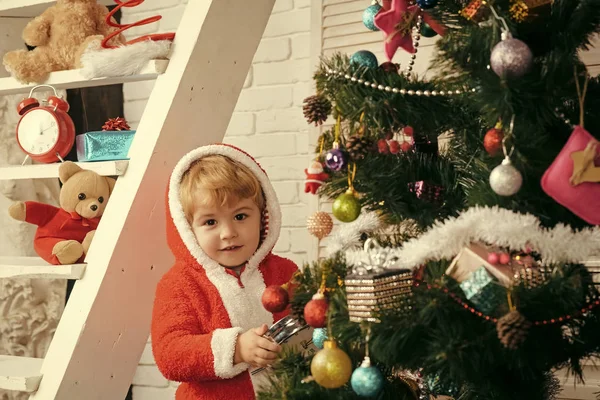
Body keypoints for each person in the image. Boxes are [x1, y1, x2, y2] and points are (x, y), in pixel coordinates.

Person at [151, 144, 299, 399]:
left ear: (263, 216)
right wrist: (236, 348)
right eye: (210, 222)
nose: (228, 232)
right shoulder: (179, 284)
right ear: (188, 229)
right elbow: (169, 354)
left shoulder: (285, 271)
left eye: (240, 216)